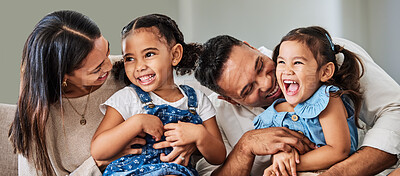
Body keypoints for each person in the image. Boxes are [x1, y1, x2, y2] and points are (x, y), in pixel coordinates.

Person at [194, 31, 400, 175]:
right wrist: (245, 147)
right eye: (248, 90)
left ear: (251, 47)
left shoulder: (321, 54)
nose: (268, 83)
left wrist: (339, 172)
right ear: (229, 99)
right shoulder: (215, 115)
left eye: (259, 65)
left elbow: (395, 109)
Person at [90, 14, 225, 176]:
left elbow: (218, 156)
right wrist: (137, 122)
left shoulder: (197, 101)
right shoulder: (127, 97)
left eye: (149, 54)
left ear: (175, 55)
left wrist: (199, 135)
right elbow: (98, 150)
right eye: (130, 58)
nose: (139, 66)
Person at [254, 26, 363, 176]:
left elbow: (338, 150)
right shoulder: (275, 113)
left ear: (325, 72)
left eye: (297, 62)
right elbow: (279, 148)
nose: (287, 70)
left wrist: (288, 166)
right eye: (281, 62)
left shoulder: (327, 100)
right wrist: (281, 156)